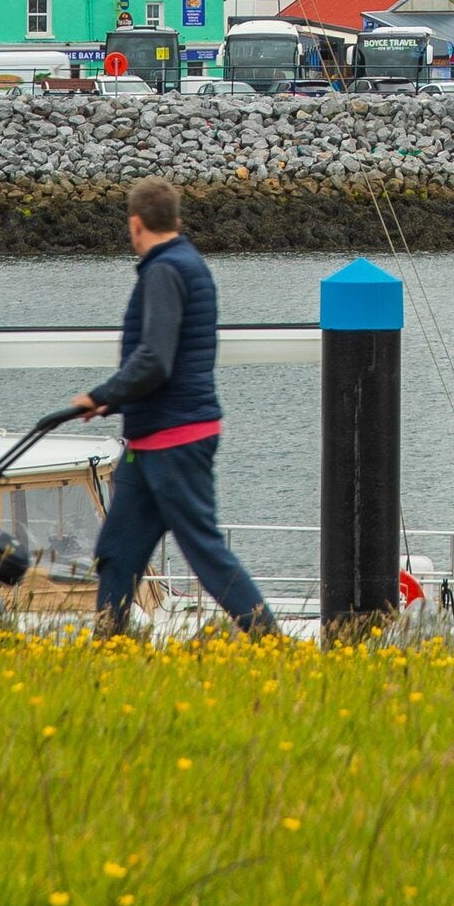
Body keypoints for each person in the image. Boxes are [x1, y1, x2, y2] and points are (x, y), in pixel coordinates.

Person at [71, 176, 275, 637]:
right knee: (117, 553)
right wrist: (114, 401)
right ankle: (106, 647)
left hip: (175, 439)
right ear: (176, 220)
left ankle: (272, 641)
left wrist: (102, 396)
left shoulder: (164, 271)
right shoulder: (187, 264)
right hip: (150, 442)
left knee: (204, 552)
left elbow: (155, 359)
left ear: (135, 225)